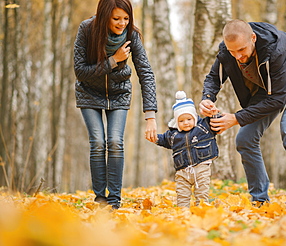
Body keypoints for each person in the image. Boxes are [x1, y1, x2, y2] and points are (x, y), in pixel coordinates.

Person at [199, 19, 286, 209]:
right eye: (232, 51)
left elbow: (277, 99)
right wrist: (207, 98)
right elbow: (213, 78)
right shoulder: (228, 52)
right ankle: (259, 199)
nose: (238, 56)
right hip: (269, 89)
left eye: (241, 50)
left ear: (253, 38)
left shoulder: (276, 49)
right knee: (245, 139)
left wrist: (236, 118)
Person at [73, 0, 157, 210]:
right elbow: (80, 71)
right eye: (116, 18)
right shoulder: (86, 29)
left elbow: (146, 73)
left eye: (126, 18)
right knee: (98, 142)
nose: (122, 23)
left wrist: (151, 115)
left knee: (115, 142)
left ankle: (114, 201)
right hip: (89, 92)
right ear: (104, 16)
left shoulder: (132, 36)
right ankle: (100, 199)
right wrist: (113, 60)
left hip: (118, 94)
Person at [150, 91, 219, 207]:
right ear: (177, 122)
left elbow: (216, 121)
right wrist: (154, 138)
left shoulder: (203, 127)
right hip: (182, 172)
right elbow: (163, 139)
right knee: (182, 196)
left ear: (194, 117)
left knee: (202, 194)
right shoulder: (173, 135)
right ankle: (183, 214)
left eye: (189, 119)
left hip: (201, 168)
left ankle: (202, 211)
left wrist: (214, 113)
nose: (186, 123)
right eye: (181, 121)